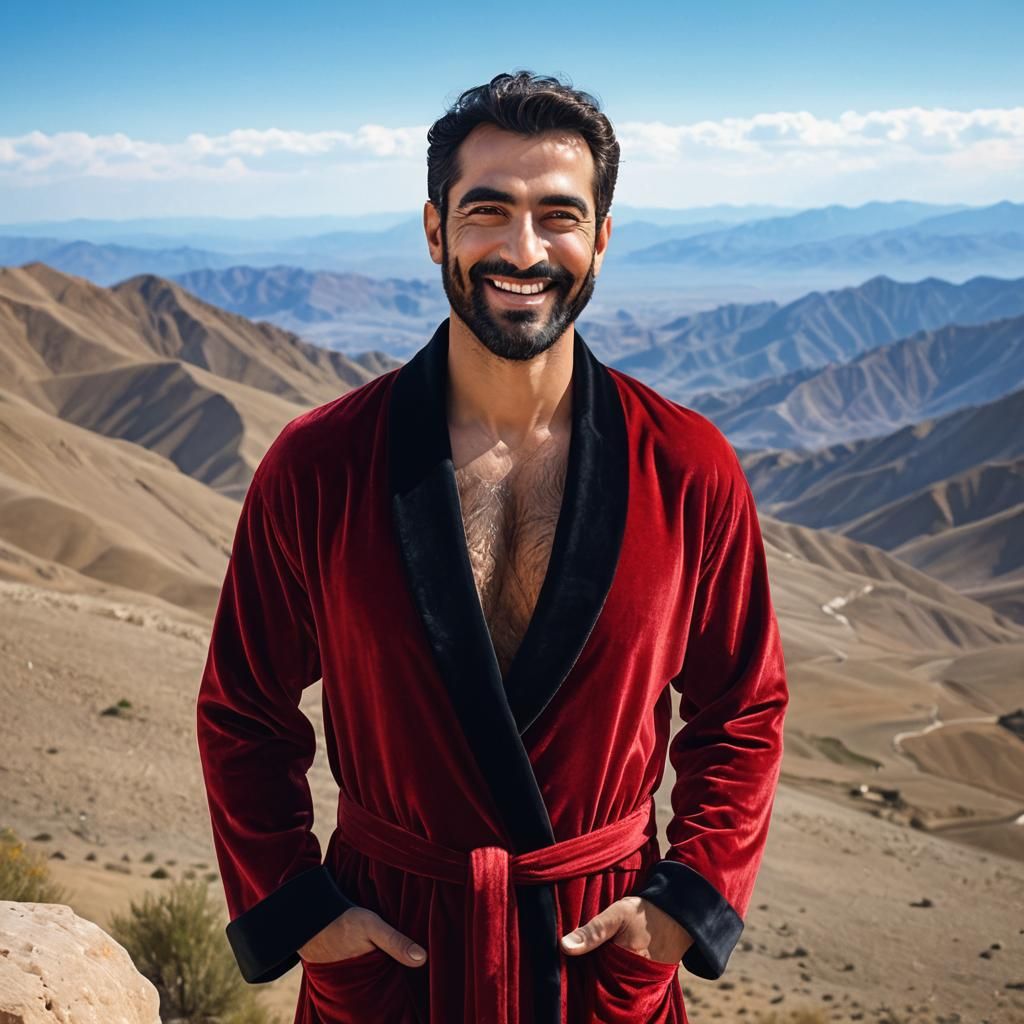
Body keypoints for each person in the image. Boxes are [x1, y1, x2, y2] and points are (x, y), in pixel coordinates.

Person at [196, 70, 789, 1024]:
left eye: (558, 214)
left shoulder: (687, 466)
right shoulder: (321, 464)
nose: (523, 248)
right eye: (487, 211)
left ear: (600, 238)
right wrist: (304, 913)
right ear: (435, 230)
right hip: (396, 956)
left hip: (596, 963)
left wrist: (684, 907)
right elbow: (243, 709)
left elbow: (743, 709)